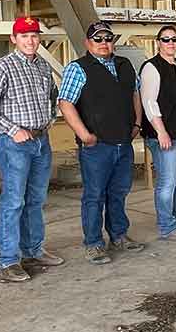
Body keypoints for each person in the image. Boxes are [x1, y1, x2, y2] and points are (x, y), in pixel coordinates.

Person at [0, 16, 64, 282]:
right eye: (24, 36)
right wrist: (14, 130)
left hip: (40, 141)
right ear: (14, 39)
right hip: (15, 144)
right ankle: (8, 260)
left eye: (34, 35)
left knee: (36, 200)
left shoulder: (43, 67)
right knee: (14, 201)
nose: (30, 40)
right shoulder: (2, 67)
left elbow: (52, 98)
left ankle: (33, 249)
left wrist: (48, 120)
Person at [58, 21, 145, 265]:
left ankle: (118, 235)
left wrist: (137, 124)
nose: (104, 43)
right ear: (88, 43)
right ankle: (94, 243)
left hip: (123, 143)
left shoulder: (124, 65)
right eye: (98, 39)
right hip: (97, 147)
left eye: (108, 38)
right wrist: (84, 134)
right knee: (94, 195)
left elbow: (135, 94)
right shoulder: (78, 68)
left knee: (119, 192)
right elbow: (65, 103)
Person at [140, 24, 176, 241]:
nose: (171, 43)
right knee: (167, 182)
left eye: (174, 39)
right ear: (158, 43)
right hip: (166, 135)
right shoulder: (151, 67)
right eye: (166, 39)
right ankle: (167, 227)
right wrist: (161, 132)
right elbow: (149, 102)